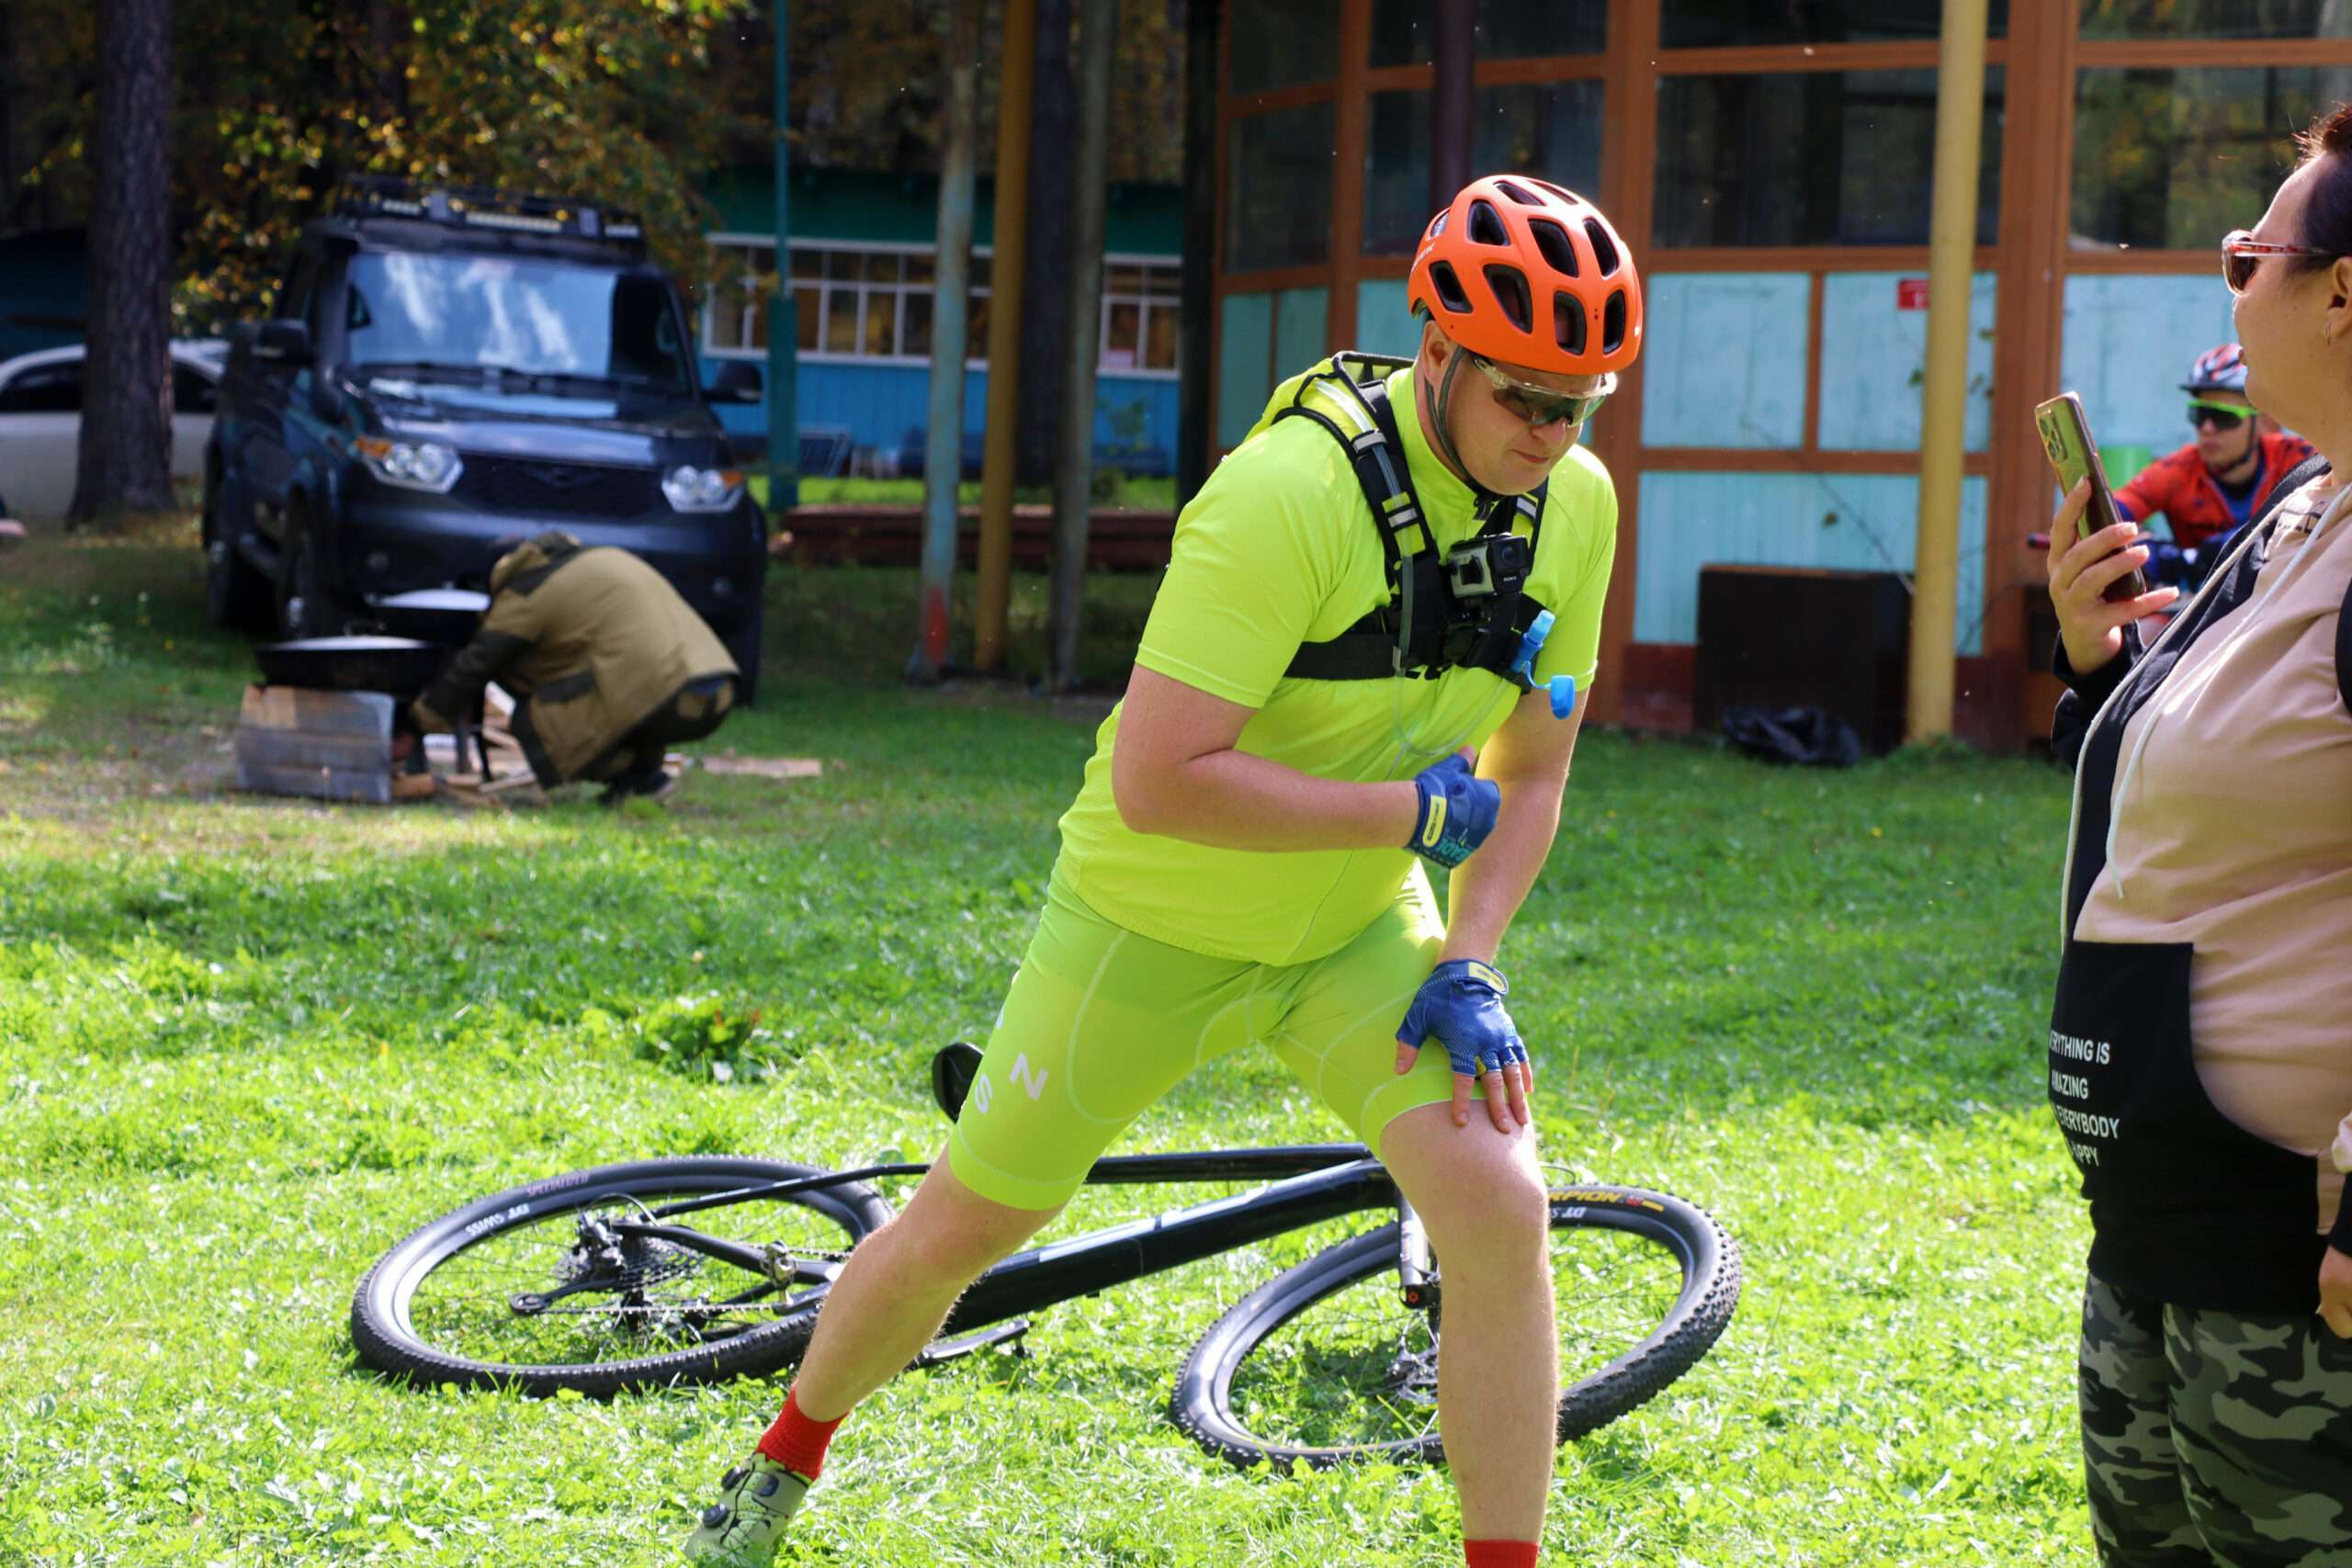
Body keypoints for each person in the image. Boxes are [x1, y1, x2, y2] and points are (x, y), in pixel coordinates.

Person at [684, 175, 1640, 1568]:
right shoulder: (1288, 496)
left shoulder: (1575, 506)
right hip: (1149, 917)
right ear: (1437, 348)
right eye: (1524, 399)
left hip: (1351, 930)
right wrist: (1404, 813)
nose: (1550, 436)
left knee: (1499, 1205)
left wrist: (1471, 952)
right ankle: (784, 1459)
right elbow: (1162, 778)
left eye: (1580, 406)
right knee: (969, 1223)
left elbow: (1533, 769)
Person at [2042, 106, 2352, 1568]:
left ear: (2342, 293)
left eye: (2248, 258)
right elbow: (2191, 783)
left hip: (2295, 1252)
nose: (2229, 291)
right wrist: (2097, 660)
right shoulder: (2304, 505)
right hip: (2164, 1213)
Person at [410, 530, 738, 805]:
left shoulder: (528, 589)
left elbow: (476, 664)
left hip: (666, 692)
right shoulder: (600, 557)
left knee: (534, 718)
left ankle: (638, 778)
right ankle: (641, 776)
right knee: (614, 692)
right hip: (714, 686)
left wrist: (417, 724)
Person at [2110, 343, 2314, 587]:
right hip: (2200, 601)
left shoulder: (2299, 460)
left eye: (2223, 417)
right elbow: (2105, 519)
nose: (2207, 428)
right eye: (2200, 415)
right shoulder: (2178, 470)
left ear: (2262, 422)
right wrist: (2144, 549)